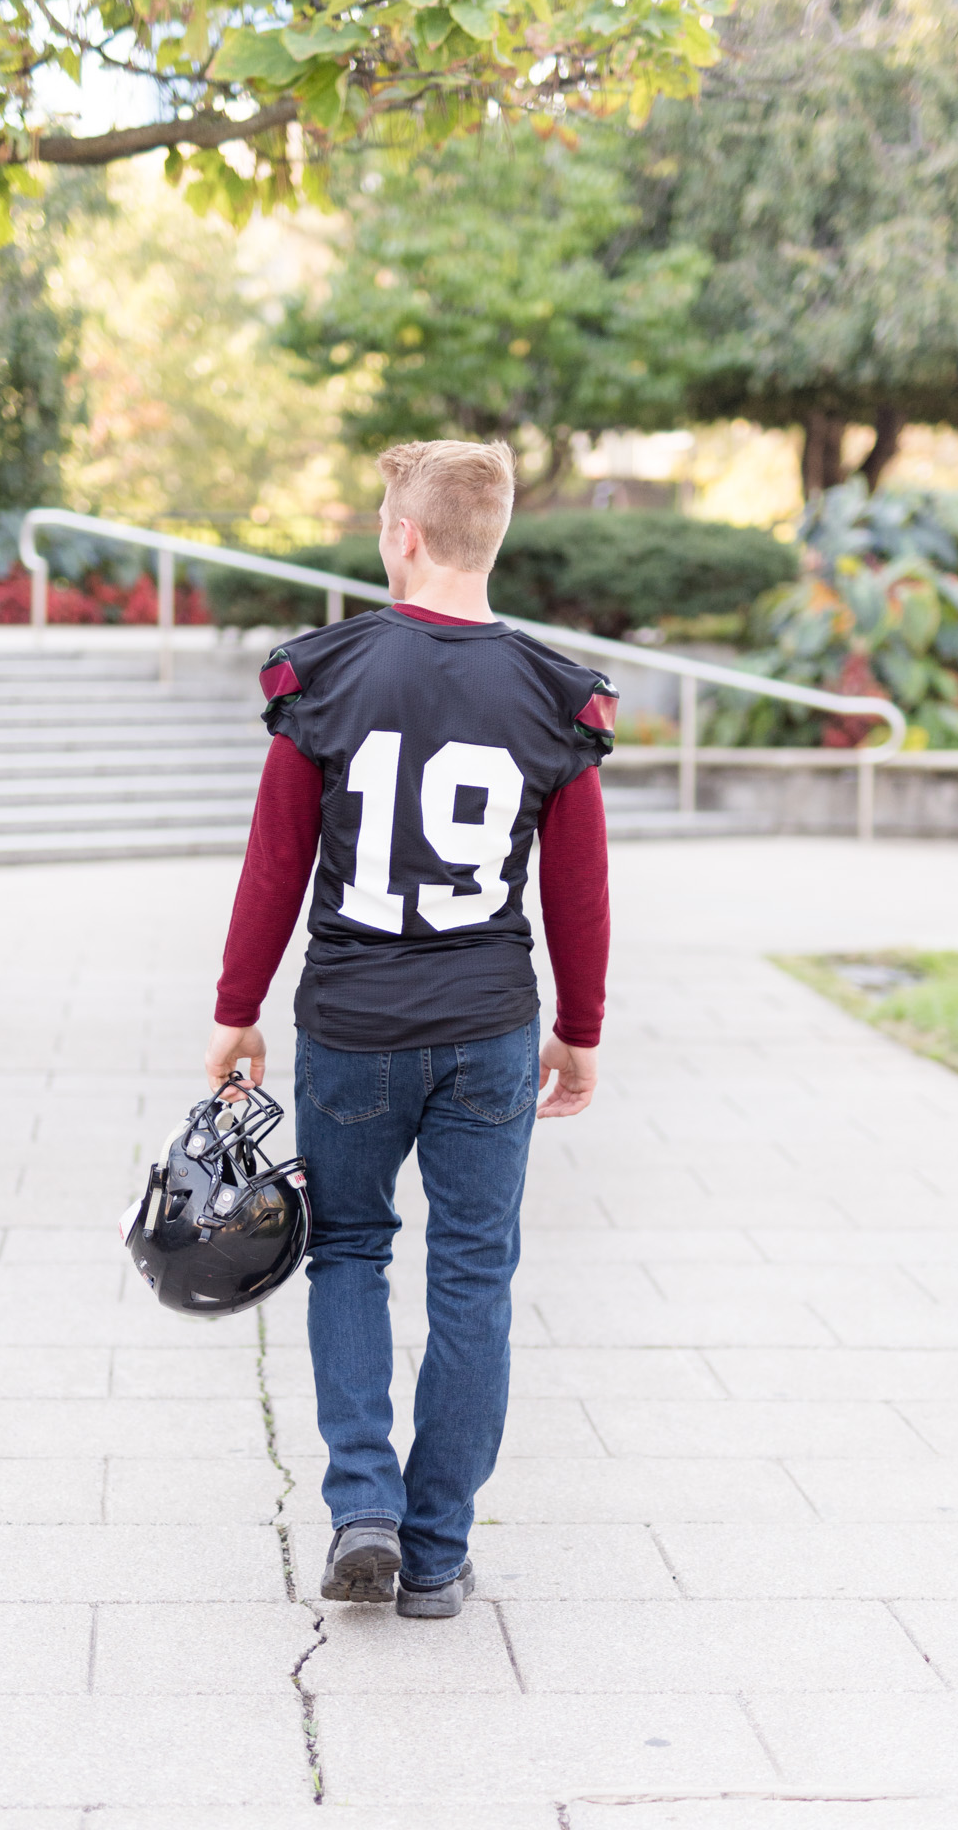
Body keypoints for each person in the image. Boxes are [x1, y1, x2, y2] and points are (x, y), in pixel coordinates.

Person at [204, 439, 615, 1618]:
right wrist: (576, 1028)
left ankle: (361, 1507)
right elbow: (576, 890)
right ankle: (436, 1549)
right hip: (489, 1023)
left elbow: (273, 864)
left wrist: (236, 1010)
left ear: (403, 536)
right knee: (474, 1274)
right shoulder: (553, 693)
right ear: (492, 540)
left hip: (350, 1023)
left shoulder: (324, 675)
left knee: (347, 1249)